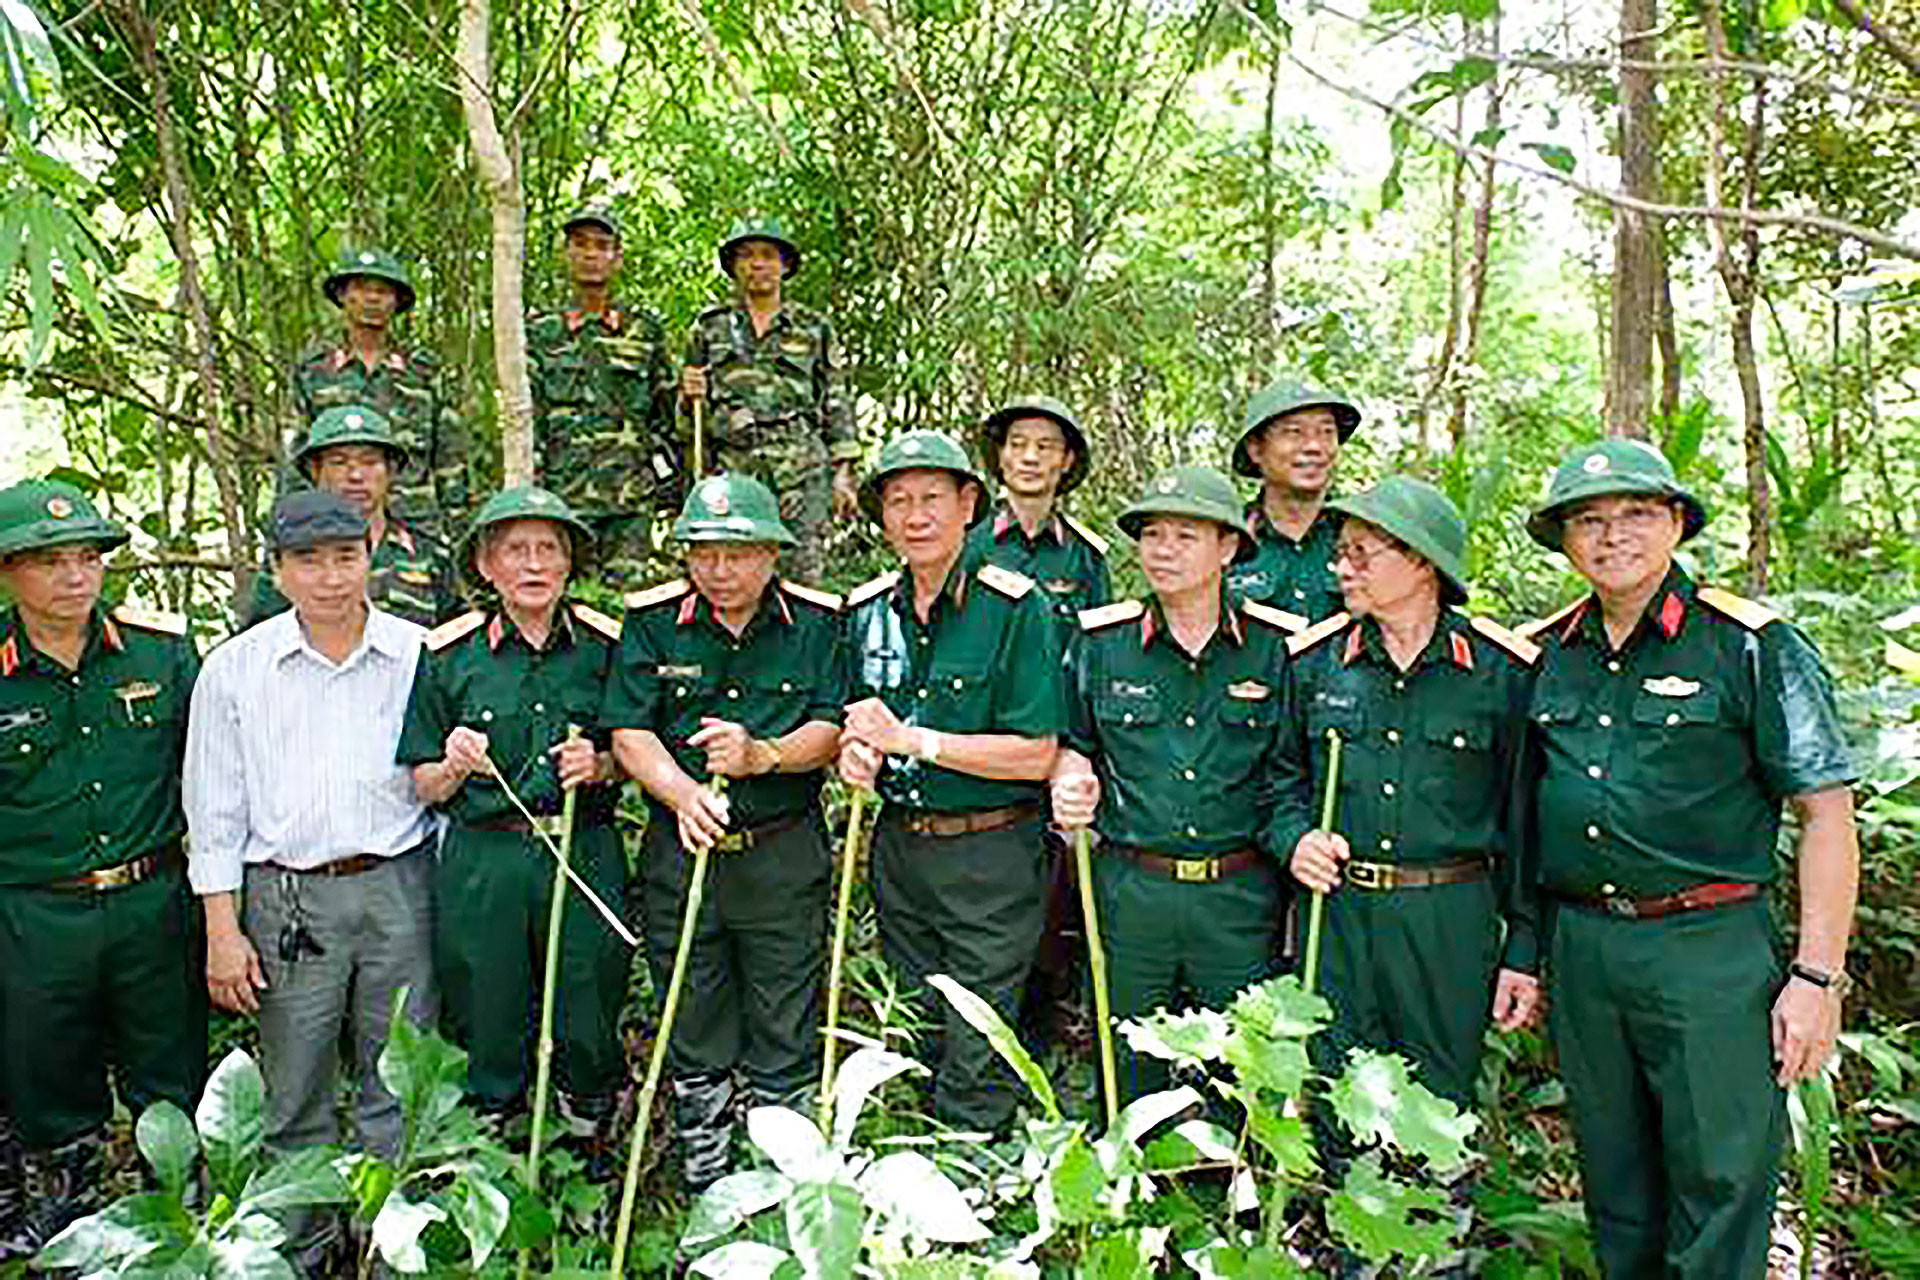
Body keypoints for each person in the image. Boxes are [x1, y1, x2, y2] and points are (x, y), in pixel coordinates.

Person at [1519, 439, 1859, 1279]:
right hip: (1587, 948)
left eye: (1636, 514)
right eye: (1589, 521)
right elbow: (1521, 816)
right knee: (1616, 1180)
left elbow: (1825, 814)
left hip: (1708, 951)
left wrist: (1817, 981)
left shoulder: (1749, 644)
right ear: (1565, 541)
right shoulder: (1545, 653)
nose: (1612, 536)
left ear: (1675, 522)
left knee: (1720, 1180)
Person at [184, 492, 437, 1216]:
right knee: (295, 1086)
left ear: (371, 559)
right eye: (309, 562)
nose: (330, 578)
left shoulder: (416, 654)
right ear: (279, 571)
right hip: (287, 898)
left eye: (345, 558)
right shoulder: (235, 670)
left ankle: (392, 1243)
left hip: (398, 886)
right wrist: (222, 931)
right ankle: (299, 1241)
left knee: (400, 1077)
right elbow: (214, 809)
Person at [605, 474, 846, 1190]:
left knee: (785, 1016)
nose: (719, 570)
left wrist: (763, 754)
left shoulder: (817, 623)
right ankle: (708, 1178)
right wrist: (680, 793)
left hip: (781, 852)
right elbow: (628, 728)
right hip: (683, 854)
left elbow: (830, 727)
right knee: (692, 1007)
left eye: (737, 553)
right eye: (703, 553)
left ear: (772, 553)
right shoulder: (651, 623)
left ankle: (784, 1178)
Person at [1278, 477, 1541, 1106]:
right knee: (1337, 1088)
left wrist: (1524, 949)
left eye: (1361, 554)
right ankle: (1341, 1202)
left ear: (1422, 561)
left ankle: (1437, 1205)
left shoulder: (1500, 672)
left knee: (1439, 1095)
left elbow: (1527, 822)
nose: (1342, 568)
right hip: (1339, 914)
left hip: (1450, 916)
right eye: (1340, 552)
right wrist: (1294, 840)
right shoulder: (1313, 664)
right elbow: (1277, 783)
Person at [1048, 465, 1300, 1102]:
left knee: (1243, 1066)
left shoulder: (1278, 649)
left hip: (1240, 893)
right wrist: (1072, 777)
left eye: (1185, 535)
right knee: (1127, 1058)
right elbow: (1072, 744)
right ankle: (1134, 1186)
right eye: (1152, 534)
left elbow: (1292, 771)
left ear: (1229, 548)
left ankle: (1233, 1193)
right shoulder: (1102, 643)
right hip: (1132, 889)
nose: (1162, 549)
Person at [839, 429, 1065, 1134]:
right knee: (917, 1016)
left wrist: (915, 741)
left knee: (980, 1027)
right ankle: (924, 1162)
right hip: (901, 849)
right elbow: (855, 719)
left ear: (969, 503)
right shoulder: (868, 608)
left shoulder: (1015, 606)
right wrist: (856, 754)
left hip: (990, 853)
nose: (915, 516)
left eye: (932, 498)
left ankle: (975, 1163)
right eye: (898, 501)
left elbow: (1036, 753)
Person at [0, 479, 206, 1252]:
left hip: (151, 901)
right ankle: (73, 1226)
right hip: (34, 913)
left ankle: (177, 1221)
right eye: (51, 562)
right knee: (48, 1077)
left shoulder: (161, 652)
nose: (76, 578)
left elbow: (213, 777)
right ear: (9, 571)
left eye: (88, 558)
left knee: (170, 1071)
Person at [398, 487, 629, 1139]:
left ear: (569, 563)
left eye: (547, 550)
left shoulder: (606, 646)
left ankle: (584, 1143)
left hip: (583, 851)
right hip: (484, 857)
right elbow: (424, 785)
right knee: (485, 1005)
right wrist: (453, 765)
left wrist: (602, 765)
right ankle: (491, 1146)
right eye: (515, 551)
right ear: (486, 566)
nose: (533, 565)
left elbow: (636, 749)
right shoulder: (448, 654)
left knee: (588, 999)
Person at [680, 217, 861, 584]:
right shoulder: (709, 328)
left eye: (767, 255)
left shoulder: (813, 328)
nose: (757, 264)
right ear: (733, 267)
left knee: (802, 580)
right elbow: (688, 423)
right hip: (733, 470)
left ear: (784, 265)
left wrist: (843, 475)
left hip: (801, 471)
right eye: (746, 256)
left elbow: (836, 400)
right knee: (733, 577)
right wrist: (687, 396)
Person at [528, 205, 680, 589]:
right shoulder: (540, 332)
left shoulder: (643, 330)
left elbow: (667, 414)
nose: (591, 254)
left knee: (627, 606)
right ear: (566, 254)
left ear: (617, 258)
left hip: (629, 499)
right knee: (564, 606)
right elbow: (529, 418)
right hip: (563, 497)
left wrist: (670, 485)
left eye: (602, 246)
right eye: (580, 245)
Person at [288, 247, 467, 530]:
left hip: (414, 522)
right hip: (335, 520)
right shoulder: (314, 370)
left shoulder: (424, 370)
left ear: (396, 301)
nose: (372, 299)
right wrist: (295, 524)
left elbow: (450, 456)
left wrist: (457, 526)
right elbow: (296, 457)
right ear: (343, 296)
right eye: (361, 288)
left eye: (383, 291)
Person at [245, 404, 461, 629]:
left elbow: (462, 641)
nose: (356, 475)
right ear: (315, 472)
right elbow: (258, 646)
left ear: (390, 471)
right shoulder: (292, 556)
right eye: (339, 463)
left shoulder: (429, 554)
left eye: (370, 462)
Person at [964, 395, 1111, 625]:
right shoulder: (965, 542)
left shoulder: (1085, 556)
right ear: (1001, 456)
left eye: (1045, 447)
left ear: (1067, 461)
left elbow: (1100, 648)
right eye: (1017, 444)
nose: (1030, 458)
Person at [1225, 378, 1361, 622]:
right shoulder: (1226, 539)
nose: (1313, 446)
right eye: (1294, 432)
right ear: (1255, 449)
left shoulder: (1367, 537)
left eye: (1327, 432)